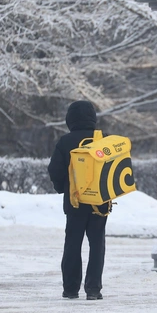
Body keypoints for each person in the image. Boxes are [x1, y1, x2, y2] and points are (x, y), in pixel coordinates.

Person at [48, 100, 108, 301]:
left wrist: (61, 188)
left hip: (74, 202)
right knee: (97, 244)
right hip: (100, 202)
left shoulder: (65, 141)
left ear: (70, 119)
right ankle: (93, 289)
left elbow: (54, 170)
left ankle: (71, 288)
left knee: (73, 243)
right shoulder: (103, 140)